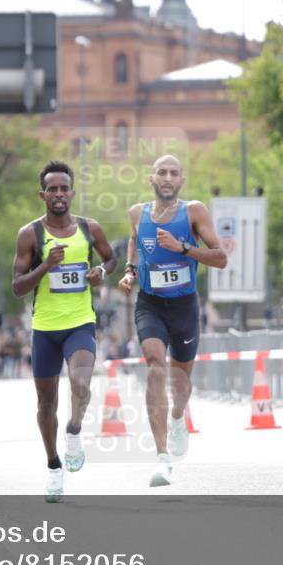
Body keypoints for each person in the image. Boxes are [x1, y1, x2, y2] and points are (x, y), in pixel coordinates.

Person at [117, 154, 227, 487]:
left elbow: (220, 258)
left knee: (180, 383)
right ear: (151, 178)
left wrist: (183, 249)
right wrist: (130, 271)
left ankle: (178, 416)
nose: (167, 177)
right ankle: (162, 457)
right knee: (155, 366)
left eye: (174, 173)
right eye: (162, 172)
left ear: (182, 180)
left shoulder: (194, 212)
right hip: (150, 303)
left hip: (184, 307)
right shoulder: (137, 213)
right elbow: (135, 240)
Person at [11, 159, 117, 503]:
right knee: (46, 403)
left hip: (80, 323)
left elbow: (111, 259)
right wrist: (45, 265)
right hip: (45, 330)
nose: (58, 194)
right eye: (52, 189)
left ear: (72, 192)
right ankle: (54, 466)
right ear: (42, 195)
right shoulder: (30, 234)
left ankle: (74, 430)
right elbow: (17, 287)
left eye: (64, 188)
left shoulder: (90, 229)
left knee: (81, 384)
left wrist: (102, 272)